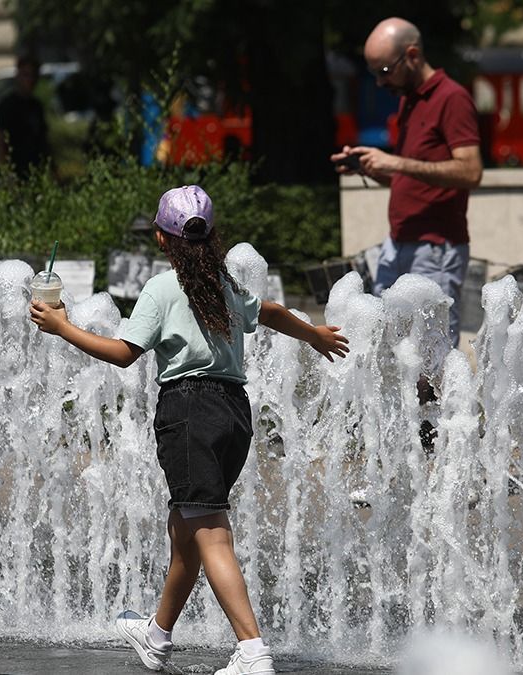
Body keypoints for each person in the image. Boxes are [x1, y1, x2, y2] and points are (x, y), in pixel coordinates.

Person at [29, 185, 350, 675]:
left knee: (211, 533)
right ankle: (157, 636)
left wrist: (62, 327)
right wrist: (315, 336)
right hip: (234, 414)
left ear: (161, 238)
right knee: (188, 529)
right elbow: (272, 313)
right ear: (211, 236)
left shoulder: (161, 289)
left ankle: (252, 650)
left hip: (189, 412)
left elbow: (124, 353)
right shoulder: (222, 284)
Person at [330, 17, 482, 347]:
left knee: (431, 357)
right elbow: (414, 177)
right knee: (387, 349)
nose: (381, 82)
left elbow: (471, 171)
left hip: (435, 248)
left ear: (412, 55)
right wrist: (371, 168)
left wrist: (395, 162)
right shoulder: (409, 101)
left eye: (385, 71)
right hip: (397, 243)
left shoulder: (452, 98)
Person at [0, 54, 49, 175]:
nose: (30, 80)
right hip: (15, 171)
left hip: (35, 171)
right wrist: (7, 173)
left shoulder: (36, 106)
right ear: (18, 75)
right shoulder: (7, 106)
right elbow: (0, 142)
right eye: (26, 75)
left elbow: (43, 142)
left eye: (33, 75)